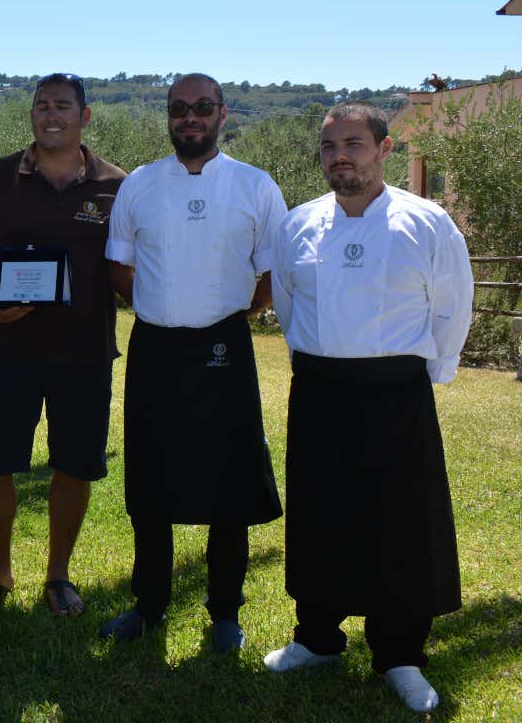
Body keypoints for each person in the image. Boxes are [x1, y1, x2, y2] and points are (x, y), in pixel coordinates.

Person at [264, 101, 473, 713]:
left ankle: (401, 654)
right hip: (320, 390)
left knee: (401, 523)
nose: (341, 157)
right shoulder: (298, 224)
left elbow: (451, 307)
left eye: (353, 145)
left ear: (383, 150)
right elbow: (288, 300)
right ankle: (317, 639)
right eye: (330, 148)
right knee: (320, 514)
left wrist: (431, 373)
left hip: (395, 394)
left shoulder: (427, 223)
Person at [101, 73, 286, 652]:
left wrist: (234, 315)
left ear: (222, 114)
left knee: (229, 478)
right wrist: (162, 307)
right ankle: (149, 605)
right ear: (169, 116)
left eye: (201, 107)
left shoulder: (256, 186)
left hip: (225, 347)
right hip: (155, 346)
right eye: (179, 108)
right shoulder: (140, 185)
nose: (190, 118)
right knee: (150, 476)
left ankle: (225, 612)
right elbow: (119, 265)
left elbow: (272, 273)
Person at [0, 73, 127, 617]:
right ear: (31, 114)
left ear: (85, 117)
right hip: (11, 352)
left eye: (63, 106)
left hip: (86, 354)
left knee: (74, 466)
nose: (52, 115)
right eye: (42, 105)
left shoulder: (118, 184)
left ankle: (58, 575)